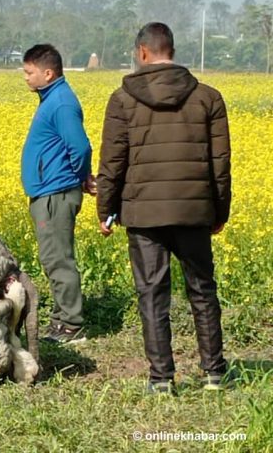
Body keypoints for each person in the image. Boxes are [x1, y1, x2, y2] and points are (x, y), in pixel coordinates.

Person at [97, 22, 232, 394]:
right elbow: (219, 163)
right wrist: (219, 213)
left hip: (143, 215)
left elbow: (112, 162)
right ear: (171, 49)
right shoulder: (208, 97)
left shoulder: (122, 100)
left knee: (152, 293)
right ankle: (215, 372)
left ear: (142, 53)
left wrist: (106, 211)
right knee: (202, 290)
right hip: (194, 212)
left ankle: (161, 378)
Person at [20, 44, 94, 344]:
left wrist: (75, 178)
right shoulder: (51, 99)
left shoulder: (61, 103)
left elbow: (80, 147)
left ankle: (71, 324)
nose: (25, 77)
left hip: (56, 193)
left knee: (58, 258)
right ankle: (64, 318)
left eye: (29, 72)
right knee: (53, 257)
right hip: (50, 190)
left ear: (47, 73)